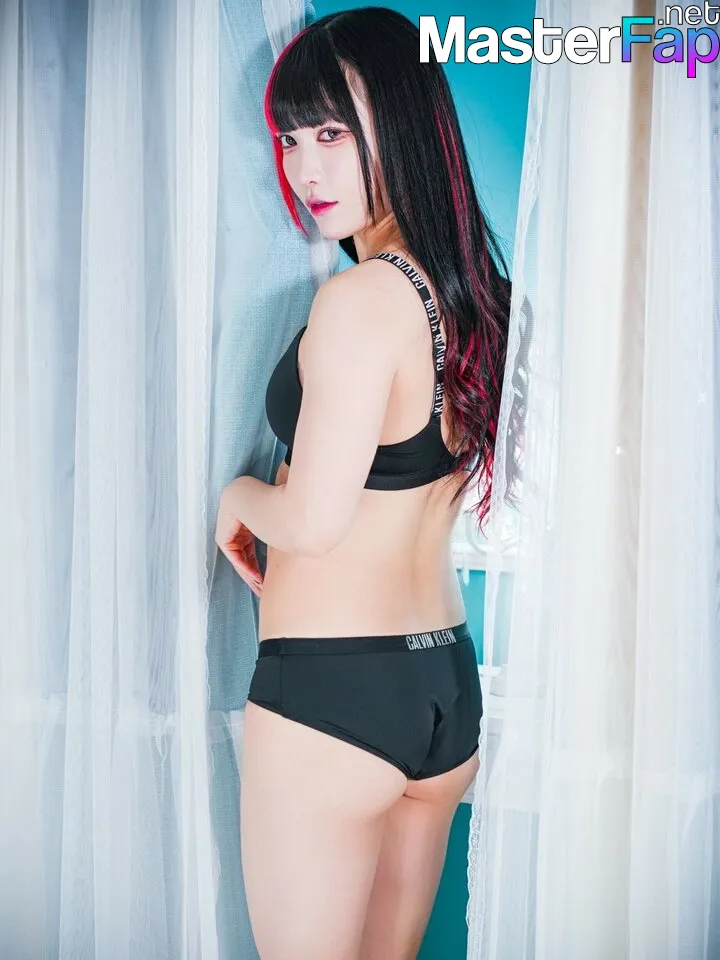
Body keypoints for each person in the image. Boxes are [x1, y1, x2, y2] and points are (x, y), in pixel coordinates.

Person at [214, 8, 512, 959]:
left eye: (333, 134)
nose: (307, 168)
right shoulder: (471, 296)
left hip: (333, 696)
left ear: (405, 122)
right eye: (291, 139)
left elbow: (311, 520)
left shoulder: (357, 301)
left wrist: (235, 501)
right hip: (442, 684)